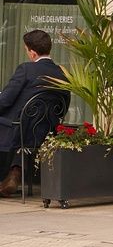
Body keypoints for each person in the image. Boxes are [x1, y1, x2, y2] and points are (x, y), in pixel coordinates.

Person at [0, 30, 68, 197]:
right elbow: (64, 106)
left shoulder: (26, 69)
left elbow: (5, 100)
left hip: (18, 129)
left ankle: (11, 174)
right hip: (46, 131)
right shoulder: (62, 73)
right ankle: (15, 171)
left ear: (32, 52)